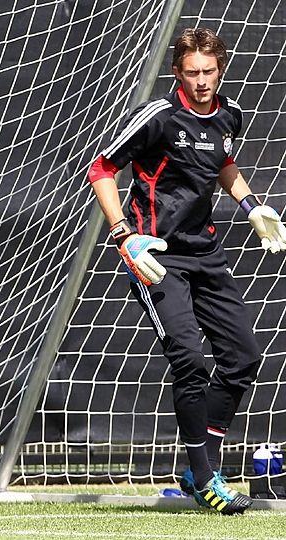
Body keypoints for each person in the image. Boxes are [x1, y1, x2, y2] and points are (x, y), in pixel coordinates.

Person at [88, 27, 286, 515]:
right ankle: (206, 479)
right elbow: (101, 169)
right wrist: (123, 234)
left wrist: (252, 205)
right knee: (190, 361)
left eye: (210, 72)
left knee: (242, 357)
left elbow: (224, 163)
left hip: (206, 254)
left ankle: (201, 467)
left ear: (220, 70)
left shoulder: (228, 114)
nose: (202, 81)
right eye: (193, 72)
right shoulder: (158, 116)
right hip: (154, 256)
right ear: (178, 72)